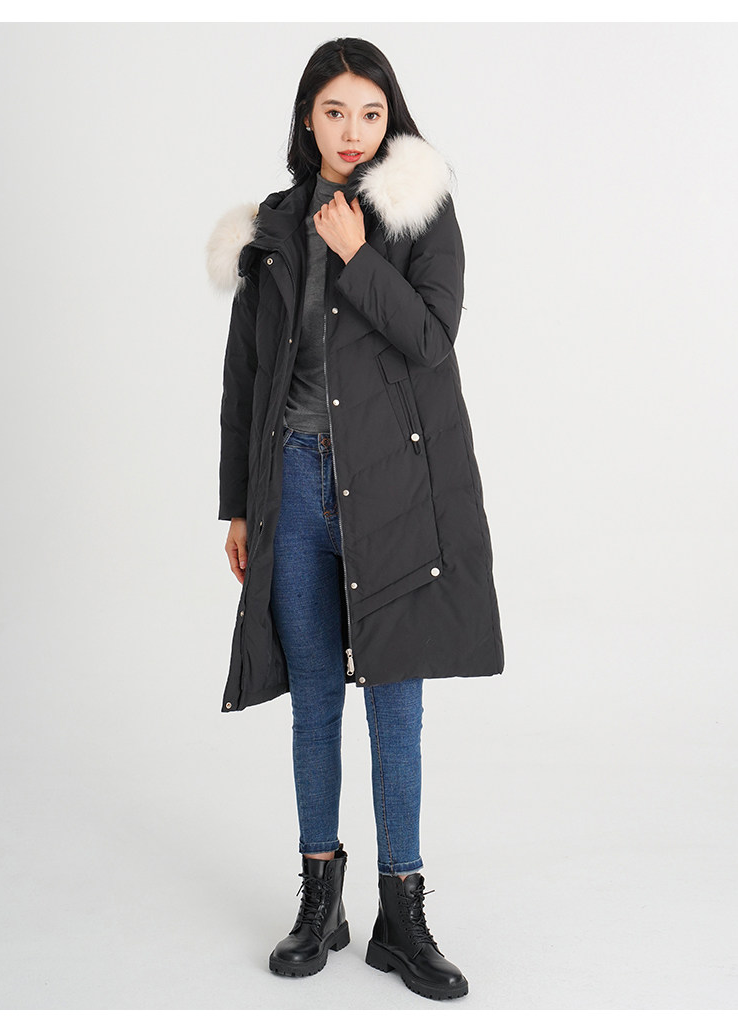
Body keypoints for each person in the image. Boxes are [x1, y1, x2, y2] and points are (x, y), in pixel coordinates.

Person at [206, 37, 504, 1002]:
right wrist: (237, 504)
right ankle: (320, 901)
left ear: (390, 118)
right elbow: (247, 376)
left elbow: (431, 337)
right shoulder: (273, 226)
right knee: (314, 703)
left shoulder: (417, 207)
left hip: (391, 493)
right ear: (308, 118)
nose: (353, 130)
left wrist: (357, 255)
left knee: (396, 702)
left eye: (370, 113)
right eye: (335, 111)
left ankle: (401, 918)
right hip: (292, 488)